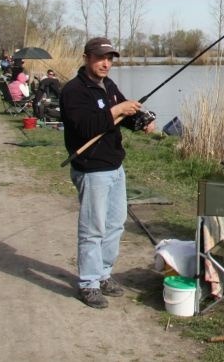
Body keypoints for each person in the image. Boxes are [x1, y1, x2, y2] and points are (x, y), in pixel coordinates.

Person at [61, 37, 156, 308]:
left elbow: (124, 115)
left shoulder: (109, 86)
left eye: (110, 58)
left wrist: (140, 120)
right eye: (100, 58)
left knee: (115, 223)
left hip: (115, 166)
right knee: (93, 227)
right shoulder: (74, 91)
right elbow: (86, 127)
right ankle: (88, 283)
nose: (106, 63)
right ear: (86, 57)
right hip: (91, 169)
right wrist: (117, 110)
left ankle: (103, 273)